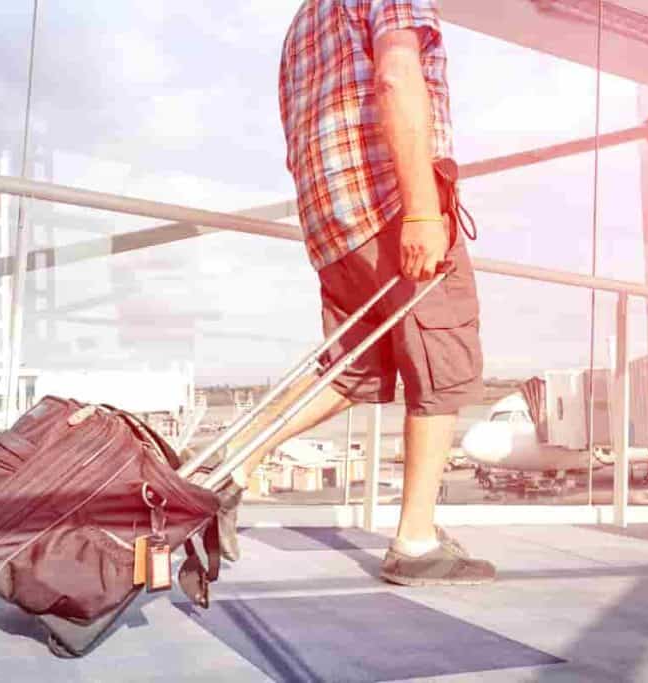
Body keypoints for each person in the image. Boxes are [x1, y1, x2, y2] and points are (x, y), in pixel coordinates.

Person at [216, 0, 495, 587]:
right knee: (443, 366)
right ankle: (416, 543)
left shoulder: (303, 22)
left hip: (333, 222)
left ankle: (233, 459)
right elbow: (397, 75)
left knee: (351, 370)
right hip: (391, 205)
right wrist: (422, 209)